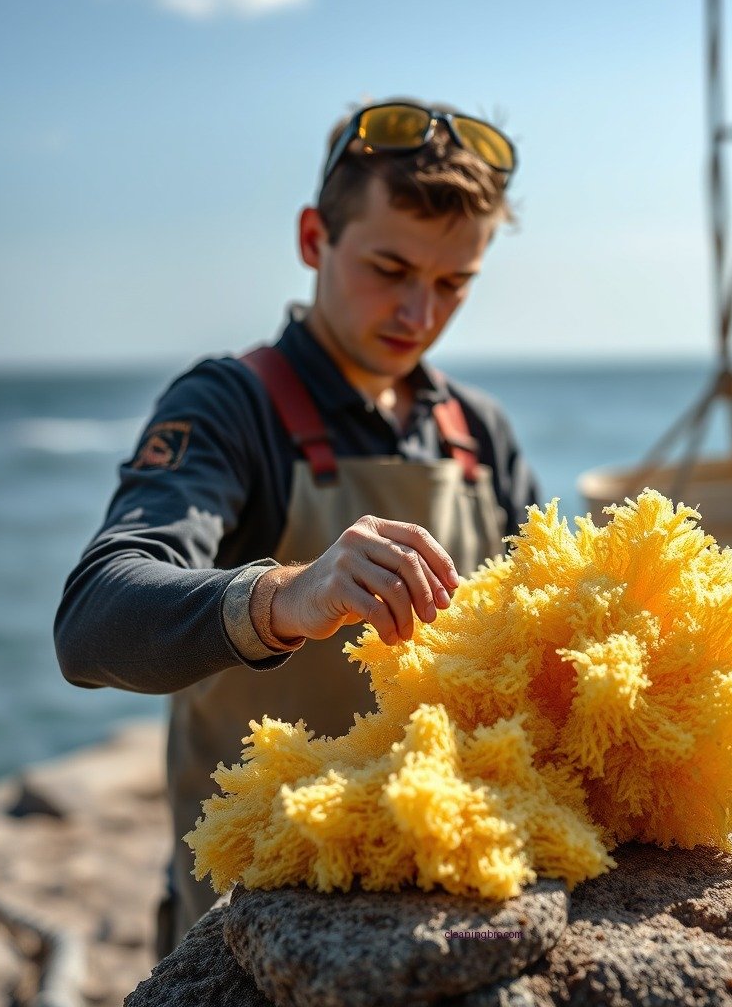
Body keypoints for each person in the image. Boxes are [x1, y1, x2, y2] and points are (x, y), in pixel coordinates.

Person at [54, 99, 539, 955]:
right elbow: (93, 619)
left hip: (440, 907)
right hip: (249, 927)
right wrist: (288, 593)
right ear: (315, 239)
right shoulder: (229, 407)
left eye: (453, 283)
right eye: (390, 268)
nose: (418, 313)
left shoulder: (478, 432)